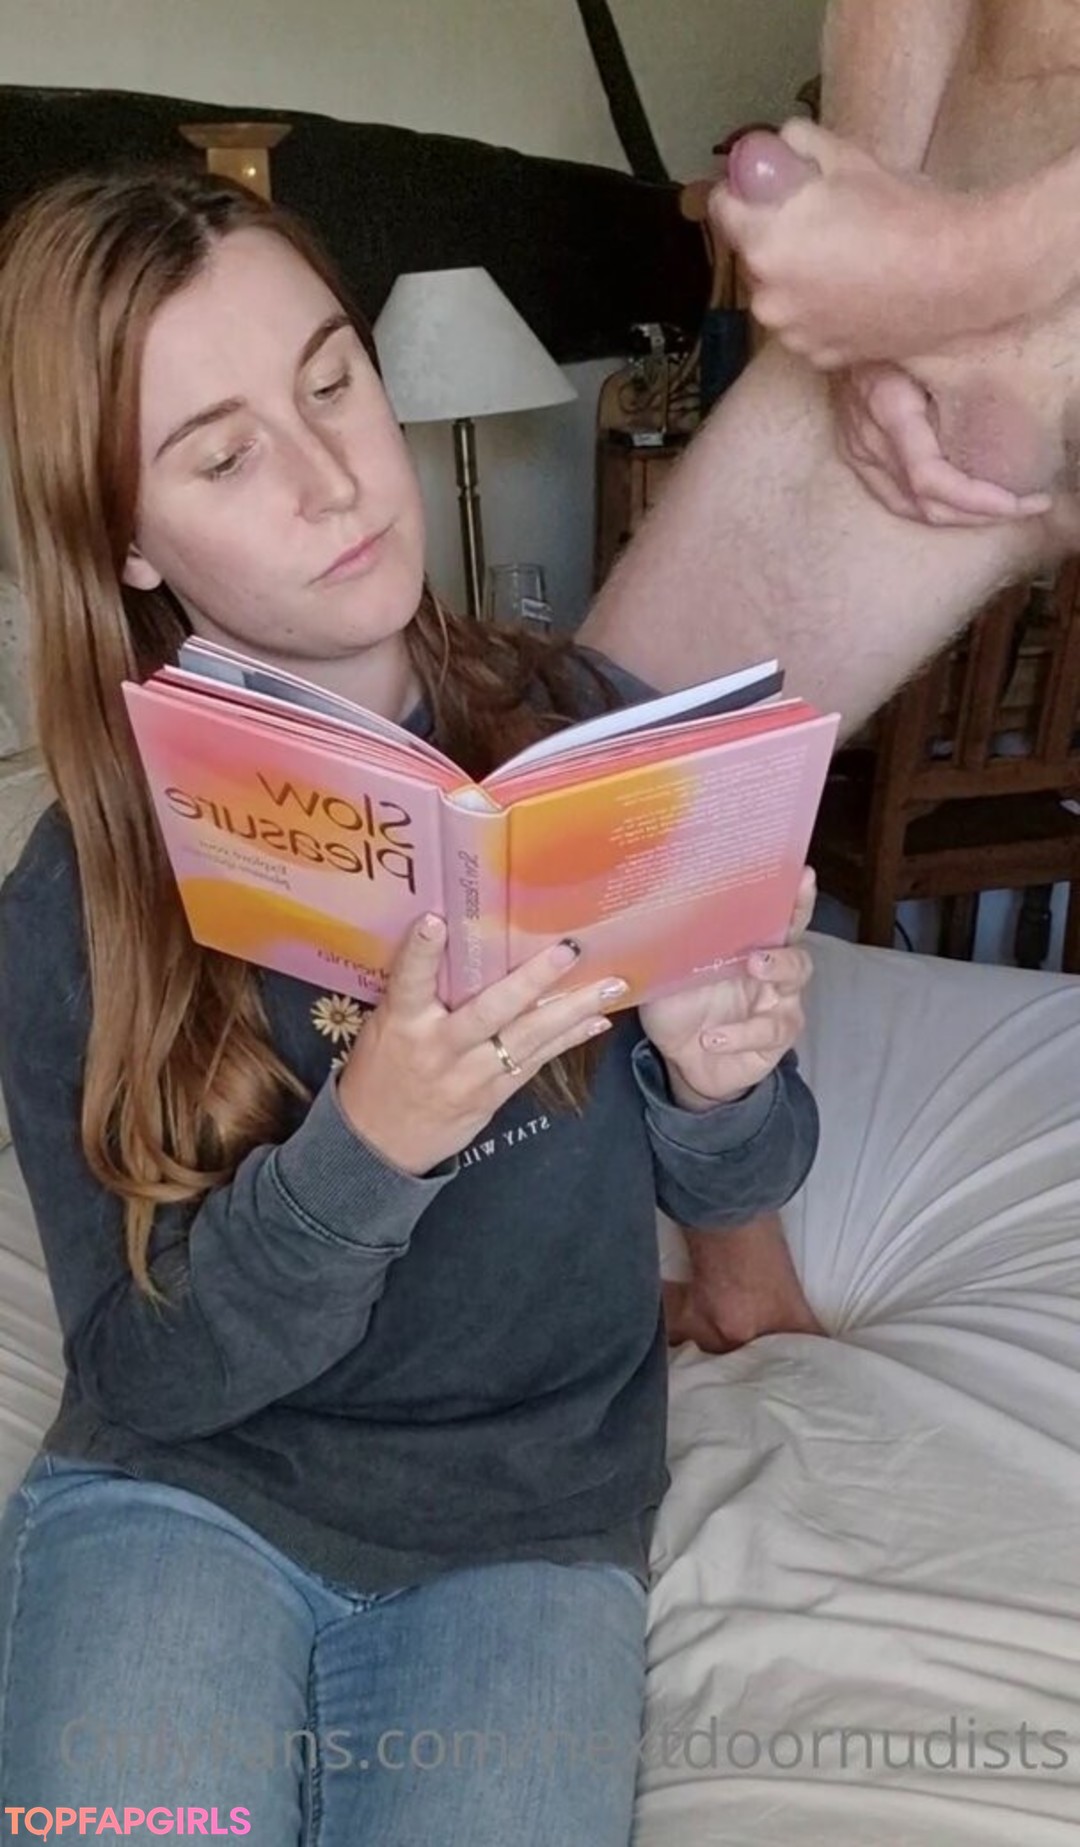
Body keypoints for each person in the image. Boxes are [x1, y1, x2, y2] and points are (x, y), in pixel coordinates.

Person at [0, 168, 819, 1844]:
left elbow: (742, 1179)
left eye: (332, 381)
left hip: (529, 1523)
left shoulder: (602, 741)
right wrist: (368, 1143)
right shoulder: (82, 885)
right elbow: (144, 1374)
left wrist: (719, 1078)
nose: (332, 479)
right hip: (190, 1490)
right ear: (129, 538)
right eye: (223, 456)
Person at [580, 0, 1080, 730]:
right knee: (585, 777)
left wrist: (988, 261)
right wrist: (865, 282)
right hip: (964, 312)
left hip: (995, 272)